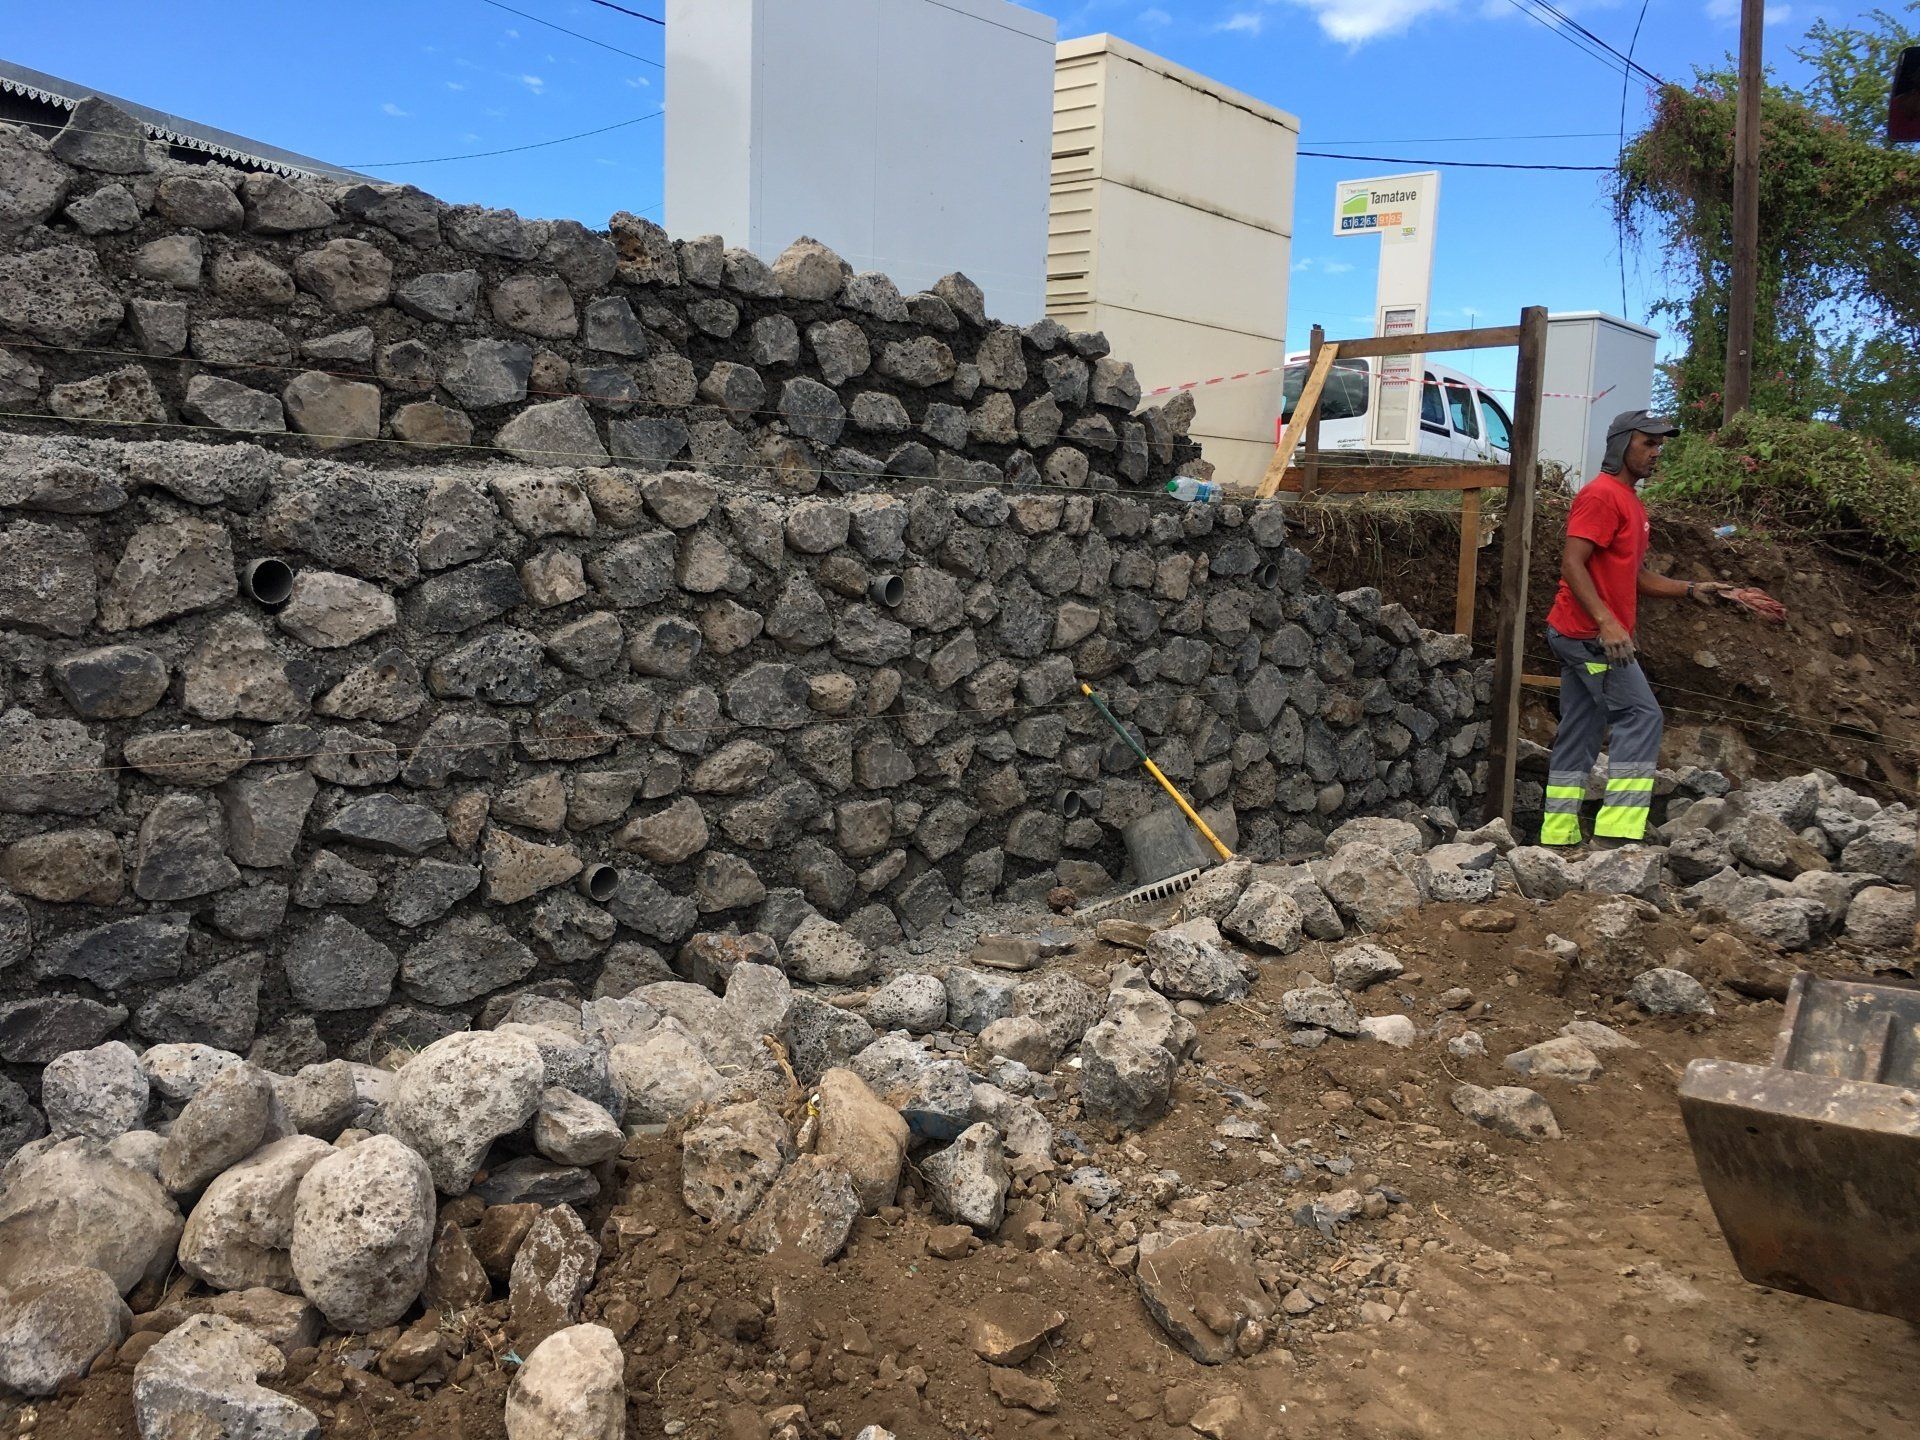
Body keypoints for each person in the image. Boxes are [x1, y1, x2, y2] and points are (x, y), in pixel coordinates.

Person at [1539, 410, 1738, 847]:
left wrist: (1691, 589)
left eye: (1659, 445)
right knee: (1641, 715)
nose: (1656, 452)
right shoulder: (1600, 496)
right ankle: (1617, 834)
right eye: (1648, 443)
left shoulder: (1629, 500)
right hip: (1590, 638)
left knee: (1581, 727)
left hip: (1579, 634)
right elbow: (1572, 564)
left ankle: (1557, 834)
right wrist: (1607, 623)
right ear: (1621, 444)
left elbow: (1635, 575)